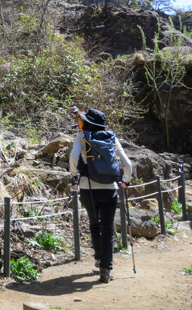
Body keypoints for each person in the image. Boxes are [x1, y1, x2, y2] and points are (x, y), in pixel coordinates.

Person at [69, 108, 133, 283]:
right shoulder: (111, 138)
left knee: (94, 224)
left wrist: (74, 176)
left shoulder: (81, 138)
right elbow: (127, 163)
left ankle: (98, 258)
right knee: (107, 228)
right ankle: (106, 269)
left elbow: (73, 158)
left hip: (87, 187)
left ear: (87, 123)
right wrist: (126, 180)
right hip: (109, 189)